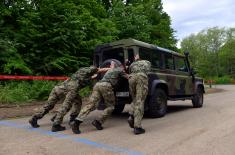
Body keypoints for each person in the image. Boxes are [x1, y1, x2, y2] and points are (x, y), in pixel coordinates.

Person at [29, 66, 99, 132]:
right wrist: (96, 74)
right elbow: (90, 78)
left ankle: (34, 118)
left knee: (49, 105)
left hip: (58, 88)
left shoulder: (79, 72)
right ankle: (57, 124)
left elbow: (89, 75)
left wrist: (93, 75)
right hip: (71, 90)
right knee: (67, 106)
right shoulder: (85, 78)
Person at [71, 61, 128, 134]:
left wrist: (112, 66)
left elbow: (106, 68)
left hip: (97, 85)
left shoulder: (109, 70)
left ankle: (76, 122)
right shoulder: (120, 70)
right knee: (110, 107)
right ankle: (98, 122)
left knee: (90, 105)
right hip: (106, 86)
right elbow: (128, 77)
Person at [127, 54, 151, 135]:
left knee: (134, 99)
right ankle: (137, 127)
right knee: (140, 100)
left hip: (131, 78)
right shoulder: (146, 62)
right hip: (141, 77)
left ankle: (131, 115)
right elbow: (148, 70)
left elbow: (129, 70)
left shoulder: (132, 64)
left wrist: (134, 61)